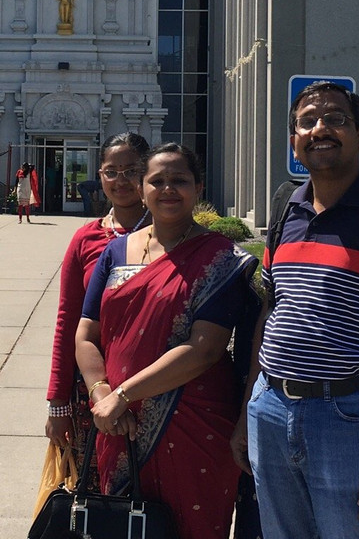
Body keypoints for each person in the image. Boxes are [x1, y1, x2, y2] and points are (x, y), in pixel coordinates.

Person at [235, 81, 359, 538]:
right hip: (270, 409)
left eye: (335, 119)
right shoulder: (285, 207)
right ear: (294, 140)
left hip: (351, 418)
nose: (320, 129)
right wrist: (249, 409)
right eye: (307, 121)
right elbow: (271, 312)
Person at [76, 143, 257, 539]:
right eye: (157, 181)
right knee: (123, 526)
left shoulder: (220, 259)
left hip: (195, 422)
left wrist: (122, 394)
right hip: (118, 423)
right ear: (142, 190)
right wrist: (101, 392)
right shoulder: (116, 252)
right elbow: (86, 333)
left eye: (180, 180)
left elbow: (204, 349)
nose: (168, 189)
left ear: (199, 188)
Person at [44, 133, 151, 475]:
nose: (121, 181)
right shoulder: (86, 238)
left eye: (131, 171)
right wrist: (58, 403)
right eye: (111, 172)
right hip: (95, 387)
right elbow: (67, 322)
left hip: (161, 385)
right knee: (95, 489)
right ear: (100, 175)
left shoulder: (170, 234)